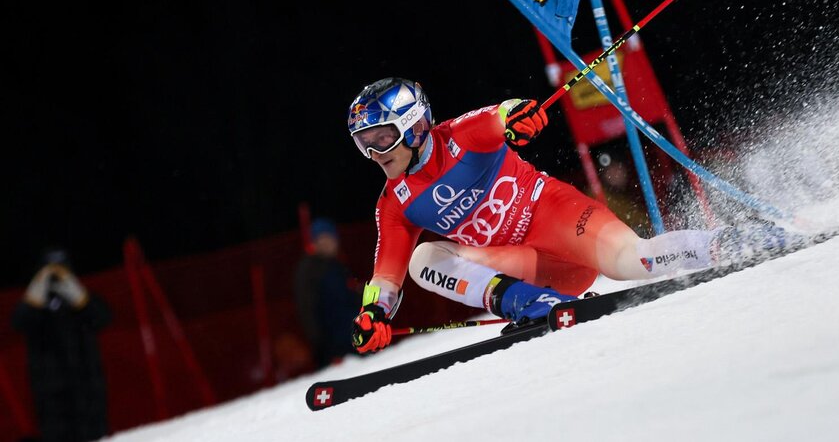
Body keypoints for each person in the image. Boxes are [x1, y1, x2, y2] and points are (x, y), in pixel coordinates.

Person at [346, 77, 804, 354]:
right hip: (529, 271)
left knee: (635, 262)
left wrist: (517, 117)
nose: (373, 153)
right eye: (363, 144)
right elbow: (386, 277)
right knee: (423, 260)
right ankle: (526, 304)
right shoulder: (395, 201)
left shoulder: (459, 136)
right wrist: (374, 314)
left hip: (558, 219)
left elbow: (499, 116)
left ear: (416, 124)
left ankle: (730, 243)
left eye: (382, 136)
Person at [10, 247, 112, 442]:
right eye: (51, 269)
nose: (56, 276)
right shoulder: (35, 303)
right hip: (50, 390)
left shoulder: (80, 299)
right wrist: (38, 288)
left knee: (94, 433)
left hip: (87, 384)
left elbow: (101, 318)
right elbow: (19, 322)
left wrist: (78, 295)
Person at [293, 217, 361, 370]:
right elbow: (307, 307)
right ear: (314, 242)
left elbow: (349, 299)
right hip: (334, 345)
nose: (328, 243)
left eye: (330, 238)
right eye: (322, 238)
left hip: (353, 338)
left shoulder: (338, 266)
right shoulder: (310, 270)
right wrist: (320, 342)